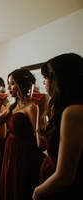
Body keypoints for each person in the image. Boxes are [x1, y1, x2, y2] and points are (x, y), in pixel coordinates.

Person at [32, 53, 83, 200]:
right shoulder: (63, 109)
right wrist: (40, 112)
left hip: (60, 190)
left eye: (46, 78)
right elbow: (41, 144)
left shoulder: (73, 112)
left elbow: (65, 177)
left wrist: (37, 192)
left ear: (60, 79)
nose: (44, 83)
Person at [0, 68, 45, 200]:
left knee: (21, 188)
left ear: (21, 84)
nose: (8, 87)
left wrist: (42, 111)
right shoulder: (12, 106)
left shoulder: (31, 107)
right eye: (9, 83)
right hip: (11, 151)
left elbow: (40, 140)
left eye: (12, 83)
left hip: (25, 154)